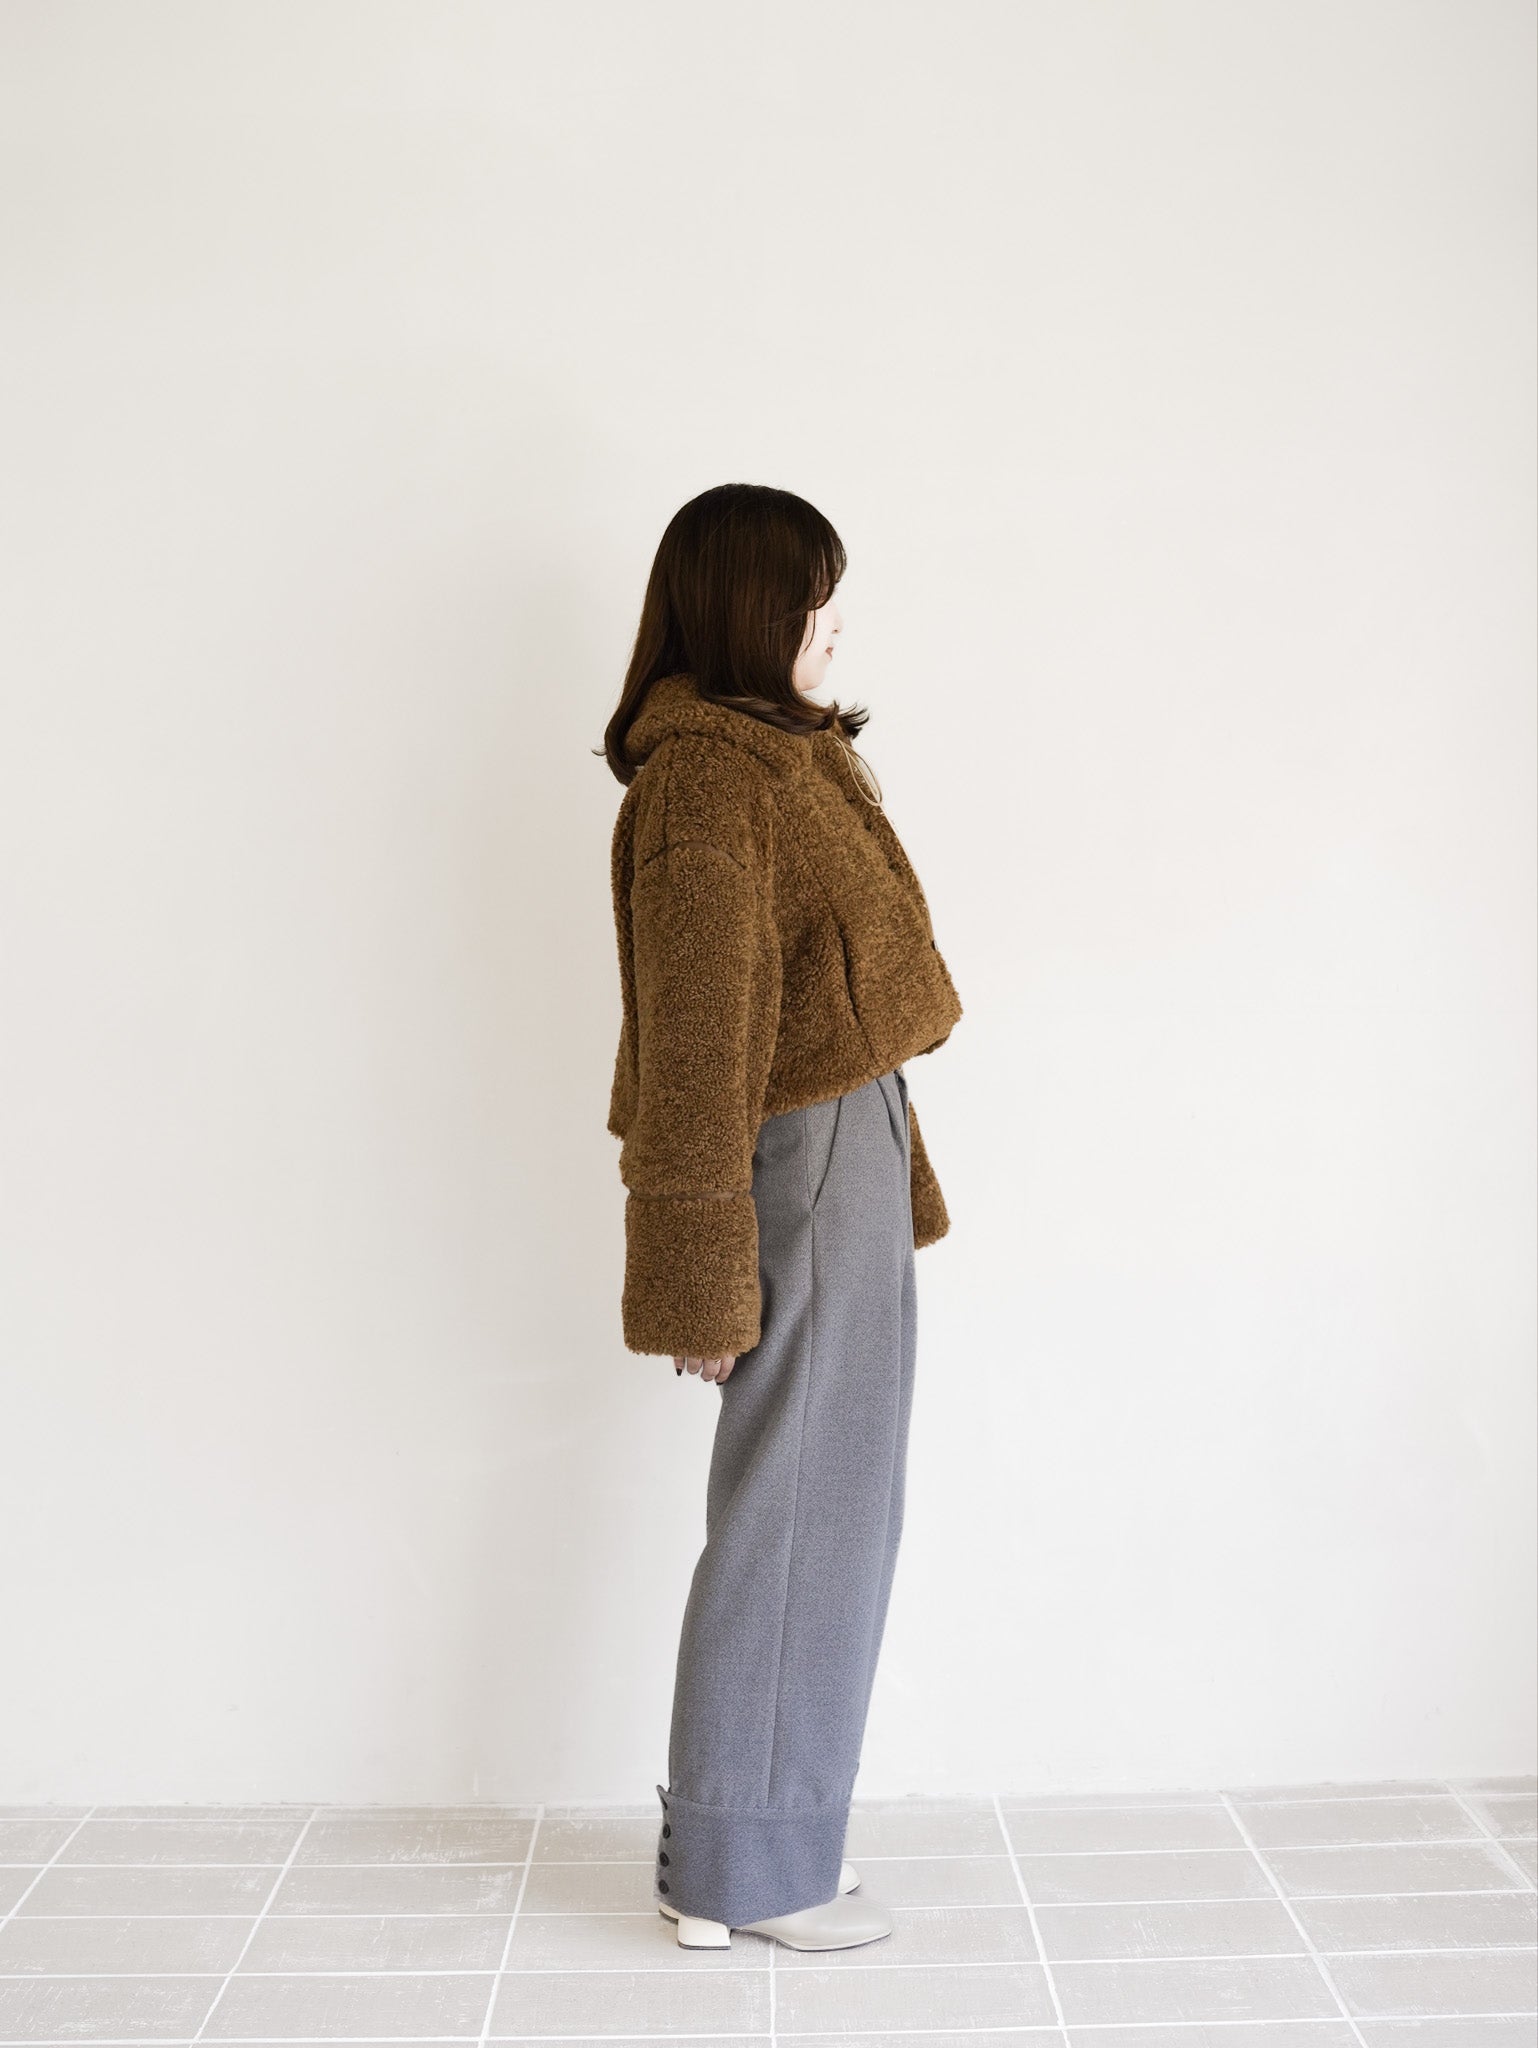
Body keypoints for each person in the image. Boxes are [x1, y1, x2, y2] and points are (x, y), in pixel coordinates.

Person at [599, 483, 963, 1953]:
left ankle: (753, 1845)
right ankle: (744, 1873)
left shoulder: (776, 754)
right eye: (811, 598)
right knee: (801, 1512)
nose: (832, 623)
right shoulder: (711, 779)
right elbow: (698, 1042)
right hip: (795, 1159)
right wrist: (700, 1276)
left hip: (840, 1145)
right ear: (749, 606)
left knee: (831, 1507)